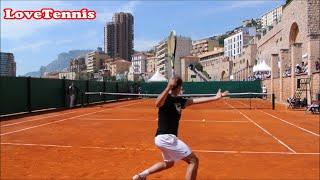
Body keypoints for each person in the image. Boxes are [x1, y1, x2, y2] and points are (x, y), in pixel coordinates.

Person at [132, 77, 228, 180]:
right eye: (181, 87)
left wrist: (215, 97)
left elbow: (196, 101)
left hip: (162, 138)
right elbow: (157, 103)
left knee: (168, 163)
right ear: (177, 88)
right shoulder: (165, 98)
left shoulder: (179, 101)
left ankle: (141, 176)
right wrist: (168, 87)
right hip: (166, 138)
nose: (182, 89)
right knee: (193, 160)